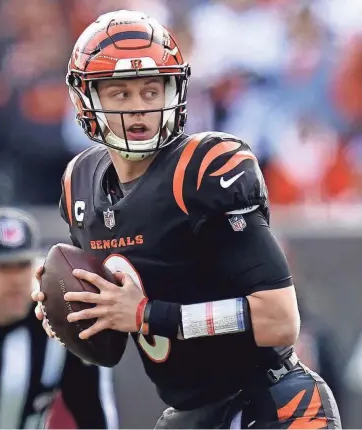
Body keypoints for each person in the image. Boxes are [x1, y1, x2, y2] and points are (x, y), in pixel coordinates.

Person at [33, 10, 341, 429]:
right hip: (190, 413)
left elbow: (279, 319)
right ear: (87, 99)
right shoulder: (81, 184)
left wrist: (146, 315)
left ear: (173, 91)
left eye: (150, 90)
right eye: (119, 93)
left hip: (267, 403)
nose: (138, 109)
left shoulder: (201, 171)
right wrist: (74, 310)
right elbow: (115, 329)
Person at [0, 207, 118, 429]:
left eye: (23, 264)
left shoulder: (63, 323)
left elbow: (94, 416)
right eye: (1, 267)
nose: (15, 279)